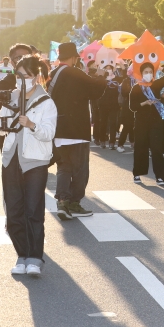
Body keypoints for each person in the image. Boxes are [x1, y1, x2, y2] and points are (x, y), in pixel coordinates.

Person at [0, 55, 56, 276]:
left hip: (35, 161)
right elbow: (1, 127)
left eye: (24, 76)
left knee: (33, 210)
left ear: (35, 77)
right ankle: (21, 255)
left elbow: (49, 133)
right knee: (14, 209)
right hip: (11, 159)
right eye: (18, 76)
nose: (20, 80)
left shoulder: (46, 103)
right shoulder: (12, 97)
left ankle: (35, 257)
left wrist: (32, 124)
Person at [47, 43, 107, 221]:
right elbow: (95, 91)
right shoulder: (75, 72)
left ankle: (62, 201)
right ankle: (74, 203)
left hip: (59, 127)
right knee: (80, 169)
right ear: (73, 57)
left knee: (64, 167)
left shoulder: (53, 73)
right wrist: (101, 76)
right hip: (77, 128)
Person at [129, 62, 164, 184]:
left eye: (150, 72)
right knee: (140, 147)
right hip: (141, 122)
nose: (148, 74)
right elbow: (132, 107)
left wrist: (160, 67)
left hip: (155, 122)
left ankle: (160, 176)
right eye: (146, 72)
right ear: (141, 73)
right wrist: (144, 103)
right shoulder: (137, 88)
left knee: (156, 148)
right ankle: (137, 173)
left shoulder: (156, 84)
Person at [96, 64, 121, 150]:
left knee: (113, 123)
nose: (108, 70)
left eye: (110, 68)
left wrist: (122, 65)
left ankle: (112, 142)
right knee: (103, 122)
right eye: (106, 68)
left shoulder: (117, 79)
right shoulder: (101, 79)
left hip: (114, 104)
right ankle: (102, 140)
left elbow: (124, 77)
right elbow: (97, 88)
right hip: (103, 104)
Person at [116, 65, 135, 152]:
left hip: (138, 105)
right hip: (128, 105)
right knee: (127, 125)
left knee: (133, 126)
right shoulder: (126, 81)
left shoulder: (142, 81)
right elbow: (124, 93)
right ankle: (120, 144)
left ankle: (133, 142)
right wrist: (133, 90)